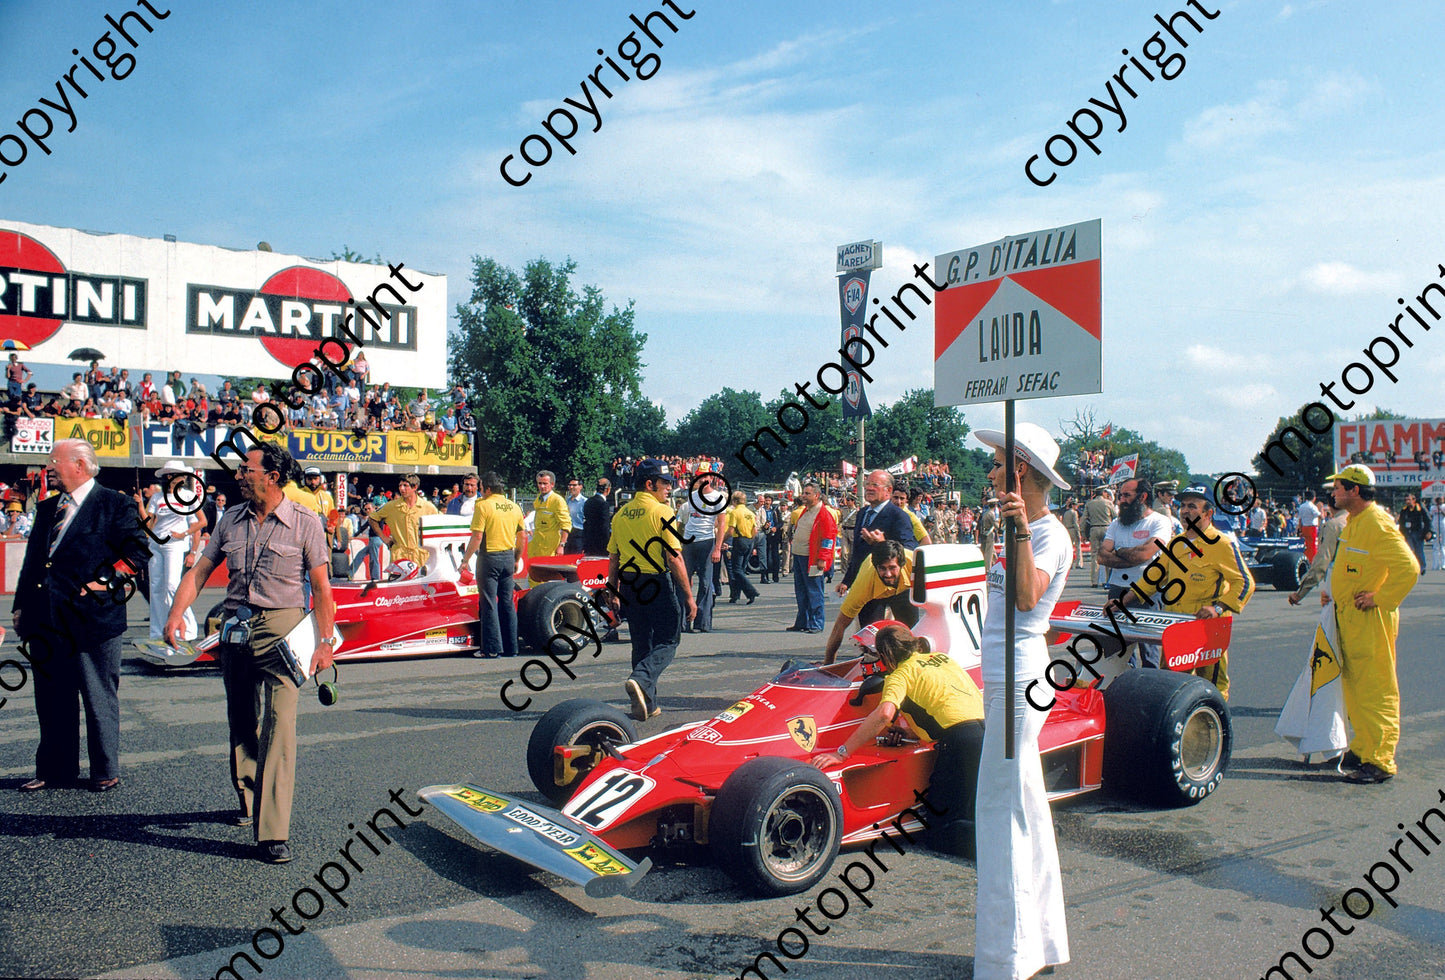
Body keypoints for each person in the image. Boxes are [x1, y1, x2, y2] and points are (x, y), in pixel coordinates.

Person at [164, 443, 335, 863]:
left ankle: (272, 832)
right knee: (242, 719)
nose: (239, 474)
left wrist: (325, 642)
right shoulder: (230, 519)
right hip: (235, 628)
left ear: (271, 476)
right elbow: (200, 572)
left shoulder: (305, 521)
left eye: (247, 469)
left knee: (280, 726)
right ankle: (248, 799)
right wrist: (176, 614)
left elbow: (322, 588)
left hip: (284, 627)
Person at [972, 421, 1073, 980]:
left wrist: (1017, 530)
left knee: (1000, 809)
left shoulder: (1049, 535)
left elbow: (1027, 598)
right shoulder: (1014, 527)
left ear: (1022, 472)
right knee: (1024, 805)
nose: (989, 472)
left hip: (1021, 678)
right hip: (999, 676)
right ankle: (1041, 943)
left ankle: (1009, 958)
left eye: (997, 463)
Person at [13, 439, 144, 794]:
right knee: (51, 698)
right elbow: (33, 562)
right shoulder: (47, 508)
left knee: (98, 697)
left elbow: (137, 552)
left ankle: (105, 770)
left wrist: (107, 580)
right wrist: (21, 606)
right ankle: (55, 769)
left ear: (80, 465)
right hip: (46, 618)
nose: (49, 468)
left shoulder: (114, 504)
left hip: (94, 619)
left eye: (54, 462)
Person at [812, 623, 984, 856]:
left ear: (886, 656)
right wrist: (911, 733)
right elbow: (948, 704)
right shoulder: (942, 659)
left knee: (938, 832)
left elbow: (884, 715)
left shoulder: (899, 675)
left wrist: (841, 752)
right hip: (985, 733)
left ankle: (998, 846)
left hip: (960, 742)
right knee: (970, 809)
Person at [1109, 486, 1254, 699]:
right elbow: (1153, 577)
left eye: (1192, 506)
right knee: (1170, 686)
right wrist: (1124, 600)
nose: (1185, 511)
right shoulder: (1177, 543)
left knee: (1213, 688)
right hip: (1178, 626)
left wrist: (1217, 608)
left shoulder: (1222, 544)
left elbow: (1245, 583)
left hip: (1208, 628)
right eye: (1183, 506)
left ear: (1208, 513)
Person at [1323, 465, 1419, 784]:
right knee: (1355, 688)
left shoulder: (1377, 522)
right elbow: (1353, 568)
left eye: (1338, 487)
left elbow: (1408, 568)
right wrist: (1333, 593)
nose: (1333, 492)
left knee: (1375, 690)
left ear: (1355, 490)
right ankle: (1364, 748)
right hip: (1350, 618)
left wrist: (1380, 598)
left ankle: (1380, 761)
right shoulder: (1355, 521)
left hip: (1370, 619)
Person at [608, 459, 696, 721]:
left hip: (630, 583)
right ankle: (642, 678)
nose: (669, 488)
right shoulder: (662, 512)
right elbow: (674, 557)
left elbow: (614, 557)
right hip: (655, 582)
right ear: (650, 484)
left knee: (641, 642)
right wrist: (689, 596)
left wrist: (613, 591)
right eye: (665, 483)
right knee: (669, 639)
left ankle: (646, 703)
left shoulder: (621, 514)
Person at [460, 472, 527, 659]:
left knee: (488, 602)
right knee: (507, 602)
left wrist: (465, 560)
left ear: (487, 489)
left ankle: (491, 648)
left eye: (481, 487)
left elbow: (477, 536)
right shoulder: (514, 506)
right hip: (508, 556)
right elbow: (522, 536)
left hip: (489, 556)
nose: (480, 490)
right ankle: (511, 647)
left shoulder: (483, 505)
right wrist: (516, 558)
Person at [822, 539, 915, 663]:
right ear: (876, 567)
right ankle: (874, 663)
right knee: (872, 642)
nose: (888, 574)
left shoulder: (915, 563)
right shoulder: (864, 585)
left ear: (902, 565)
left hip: (903, 589)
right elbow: (840, 626)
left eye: (892, 568)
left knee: (913, 631)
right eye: (882, 568)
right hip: (873, 595)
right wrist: (828, 664)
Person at [141, 461, 204, 642]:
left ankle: (188, 628)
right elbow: (149, 522)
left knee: (172, 586)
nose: (182, 478)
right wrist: (139, 506)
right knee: (156, 588)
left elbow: (202, 522)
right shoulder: (157, 497)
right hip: (155, 544)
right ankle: (157, 632)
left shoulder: (188, 496)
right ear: (168, 477)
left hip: (174, 544)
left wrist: (184, 534)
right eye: (179, 475)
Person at [838, 470, 916, 594]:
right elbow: (857, 553)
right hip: (863, 584)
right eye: (867, 484)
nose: (869, 488)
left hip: (887, 587)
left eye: (875, 485)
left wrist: (882, 543)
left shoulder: (898, 516)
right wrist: (847, 581)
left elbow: (908, 551)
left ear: (888, 490)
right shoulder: (862, 513)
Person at [787, 480, 837, 634]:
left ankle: (816, 623)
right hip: (799, 556)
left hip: (812, 559)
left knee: (814, 592)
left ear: (817, 495)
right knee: (801, 591)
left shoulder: (824, 514)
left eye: (807, 494)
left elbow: (828, 539)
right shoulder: (806, 511)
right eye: (803, 493)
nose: (803, 496)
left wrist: (823, 559)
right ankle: (802, 621)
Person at [677, 475, 726, 632]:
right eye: (699, 478)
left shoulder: (718, 498)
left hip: (706, 540)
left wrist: (717, 548)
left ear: (711, 479)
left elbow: (722, 523)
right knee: (684, 580)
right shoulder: (692, 496)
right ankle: (682, 622)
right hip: (689, 541)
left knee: (705, 582)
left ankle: (702, 622)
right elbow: (686, 519)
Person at [369, 474, 437, 568]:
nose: (401, 488)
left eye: (405, 485)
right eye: (400, 485)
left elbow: (439, 527)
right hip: (399, 557)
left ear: (415, 487)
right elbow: (372, 518)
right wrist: (383, 537)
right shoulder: (391, 506)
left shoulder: (429, 507)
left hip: (422, 558)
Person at [1289, 501, 1346, 605]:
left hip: (1341, 582)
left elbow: (1322, 562)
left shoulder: (1333, 525)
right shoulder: (1361, 521)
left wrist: (1300, 593)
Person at [528, 470, 572, 582]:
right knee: (534, 577)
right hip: (537, 545)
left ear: (552, 484)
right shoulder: (539, 499)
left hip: (550, 547)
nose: (542, 486)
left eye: (545, 483)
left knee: (548, 577)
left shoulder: (557, 500)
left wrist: (561, 545)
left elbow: (566, 525)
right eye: (539, 483)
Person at [723, 490, 760, 605]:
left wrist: (722, 540)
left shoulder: (735, 512)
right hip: (750, 540)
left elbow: (731, 530)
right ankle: (735, 595)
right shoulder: (750, 513)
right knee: (741, 570)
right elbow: (755, 530)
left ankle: (751, 591)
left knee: (736, 570)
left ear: (734, 501)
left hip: (739, 540)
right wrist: (751, 541)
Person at [1396, 493, 1430, 576]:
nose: (1407, 502)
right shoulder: (1404, 510)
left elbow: (1427, 520)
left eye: (1409, 500)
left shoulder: (1420, 509)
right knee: (1409, 551)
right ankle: (1411, 567)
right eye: (1406, 500)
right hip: (1408, 533)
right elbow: (1401, 522)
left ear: (1414, 500)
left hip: (1418, 533)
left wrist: (1428, 531)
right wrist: (1401, 533)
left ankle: (1422, 567)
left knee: (1419, 551)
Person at [582, 478, 613, 556]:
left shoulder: (588, 502)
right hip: (601, 543)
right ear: (608, 489)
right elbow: (605, 526)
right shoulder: (604, 504)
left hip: (589, 541)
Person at [563, 478, 588, 554]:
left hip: (579, 534)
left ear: (580, 486)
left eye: (574, 485)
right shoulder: (567, 501)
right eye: (570, 485)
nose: (571, 487)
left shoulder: (585, 502)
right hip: (568, 533)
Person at [1296, 490, 1322, 562]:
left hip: (1304, 527)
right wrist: (1320, 509)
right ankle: (1312, 560)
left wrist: (1300, 529)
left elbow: (1300, 519)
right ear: (1314, 498)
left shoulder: (1302, 506)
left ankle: (1306, 558)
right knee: (1312, 545)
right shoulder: (1312, 506)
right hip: (1312, 527)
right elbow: (1320, 516)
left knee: (1306, 545)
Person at [1060, 498, 1083, 569]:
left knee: (1070, 548)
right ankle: (1078, 563)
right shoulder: (1074, 513)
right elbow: (1075, 523)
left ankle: (1070, 563)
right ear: (1072, 505)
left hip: (1068, 530)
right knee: (1078, 547)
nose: (1076, 506)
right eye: (1075, 505)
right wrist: (1078, 532)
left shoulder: (1066, 513)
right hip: (1073, 530)